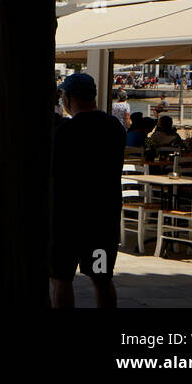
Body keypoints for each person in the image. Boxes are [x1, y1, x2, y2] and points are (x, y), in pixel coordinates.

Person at [50, 73, 125, 308]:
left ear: (69, 98)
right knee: (101, 278)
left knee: (61, 277)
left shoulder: (65, 132)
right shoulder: (115, 127)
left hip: (68, 218)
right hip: (104, 218)